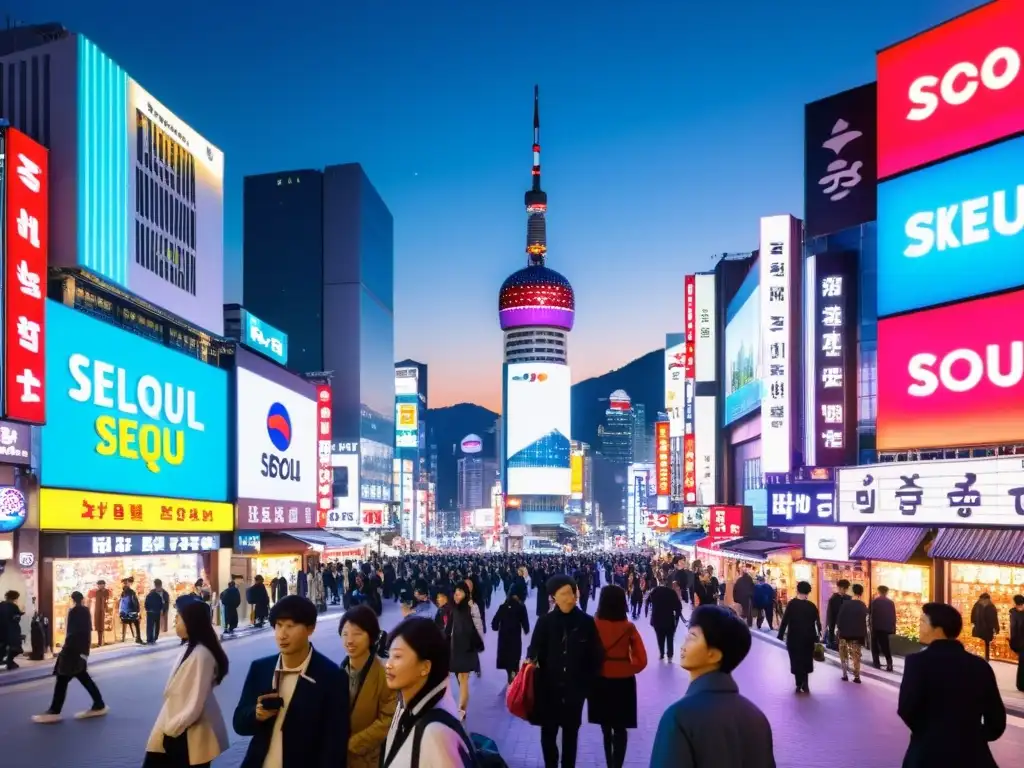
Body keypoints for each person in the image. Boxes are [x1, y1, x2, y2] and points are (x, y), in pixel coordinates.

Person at [649, 605, 774, 768]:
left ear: (714, 655)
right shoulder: (757, 717)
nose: (683, 644)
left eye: (692, 637)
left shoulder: (679, 716)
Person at [232, 595, 348, 767]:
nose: (282, 635)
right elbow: (239, 724)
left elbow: (334, 746)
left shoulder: (332, 677)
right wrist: (256, 715)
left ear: (310, 628)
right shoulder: (261, 668)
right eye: (278, 626)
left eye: (290, 626)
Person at [898, 602, 1005, 768]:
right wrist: (974, 735)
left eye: (922, 622)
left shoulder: (917, 663)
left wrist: (928, 733)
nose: (919, 627)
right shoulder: (980, 666)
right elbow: (997, 720)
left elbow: (906, 709)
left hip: (927, 755)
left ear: (938, 629)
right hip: (974, 756)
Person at [526, 574, 603, 768]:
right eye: (565, 593)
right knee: (548, 733)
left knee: (571, 734)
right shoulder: (545, 622)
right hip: (548, 689)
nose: (571, 597)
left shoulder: (586, 622)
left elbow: (596, 655)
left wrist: (585, 686)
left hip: (574, 691)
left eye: (572, 592)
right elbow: (533, 651)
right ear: (553, 597)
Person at [142, 599, 230, 767]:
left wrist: (172, 731)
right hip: (174, 722)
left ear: (191, 622)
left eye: (178, 618)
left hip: (186, 730)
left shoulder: (201, 654)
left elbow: (195, 702)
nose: (175, 621)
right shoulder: (189, 647)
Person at [381, 617, 474, 766]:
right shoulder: (404, 707)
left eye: (397, 656)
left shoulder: (436, 733)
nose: (388, 665)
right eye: (389, 656)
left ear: (425, 667)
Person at [590, 585, 647, 768]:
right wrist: (628, 668)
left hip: (600, 679)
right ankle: (617, 765)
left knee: (605, 727)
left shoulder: (593, 625)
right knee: (620, 728)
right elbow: (642, 659)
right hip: (623, 682)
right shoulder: (628, 627)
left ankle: (609, 762)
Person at [32, 591, 108, 723]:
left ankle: (55, 711)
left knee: (63, 678)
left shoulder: (74, 612)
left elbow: (73, 633)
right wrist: (84, 652)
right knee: (82, 677)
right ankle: (99, 704)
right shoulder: (85, 611)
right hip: (80, 650)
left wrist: (65, 649)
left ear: (72, 599)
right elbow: (85, 633)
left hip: (72, 651)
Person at [340, 606, 397, 768]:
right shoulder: (336, 673)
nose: (349, 640)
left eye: (357, 634)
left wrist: (353, 744)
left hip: (367, 760)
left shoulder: (384, 675)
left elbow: (387, 720)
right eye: (345, 634)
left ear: (371, 637)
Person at [447, 583, 484, 720]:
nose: (457, 594)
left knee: (463, 679)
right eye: (456, 591)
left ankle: (461, 709)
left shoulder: (472, 607)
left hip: (467, 648)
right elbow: (448, 628)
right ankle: (461, 707)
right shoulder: (454, 608)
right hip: (455, 648)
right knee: (459, 678)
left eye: (460, 591)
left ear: (466, 594)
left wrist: (477, 644)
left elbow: (478, 626)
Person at [777, 581, 821, 694]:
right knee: (806, 659)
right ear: (808, 592)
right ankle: (805, 683)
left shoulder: (792, 604)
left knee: (796, 660)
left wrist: (780, 635)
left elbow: (785, 620)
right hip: (808, 638)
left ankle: (798, 683)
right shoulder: (812, 606)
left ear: (797, 590)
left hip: (794, 638)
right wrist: (818, 637)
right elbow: (817, 623)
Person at [491, 589, 530, 685]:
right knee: (514, 657)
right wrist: (526, 629)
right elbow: (525, 624)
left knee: (506, 657)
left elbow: (494, 623)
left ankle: (510, 674)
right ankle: (514, 675)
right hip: (515, 637)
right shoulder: (521, 607)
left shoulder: (503, 607)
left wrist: (496, 627)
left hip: (504, 637)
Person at [836, 583, 868, 684]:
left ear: (852, 592)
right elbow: (865, 622)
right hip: (857, 636)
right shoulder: (863, 606)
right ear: (861, 593)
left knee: (843, 655)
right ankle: (857, 676)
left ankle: (845, 675)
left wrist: (839, 630)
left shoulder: (845, 604)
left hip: (844, 634)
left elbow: (839, 619)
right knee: (856, 656)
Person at [646, 576, 683, 662]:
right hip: (669, 619)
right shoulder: (672, 593)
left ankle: (662, 654)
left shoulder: (655, 591)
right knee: (670, 638)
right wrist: (677, 617)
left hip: (657, 619)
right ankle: (670, 656)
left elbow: (647, 601)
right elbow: (678, 607)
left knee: (660, 637)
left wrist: (647, 611)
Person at [869, 585, 896, 671]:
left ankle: (876, 663)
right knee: (885, 646)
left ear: (879, 591)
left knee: (875, 646)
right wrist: (892, 627)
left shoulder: (875, 602)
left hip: (876, 627)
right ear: (886, 592)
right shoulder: (891, 602)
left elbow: (871, 615)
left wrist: (870, 626)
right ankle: (889, 663)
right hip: (886, 628)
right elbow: (893, 616)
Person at [971, 592, 1000, 662]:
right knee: (986, 643)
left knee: (980, 643)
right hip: (987, 629)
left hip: (979, 628)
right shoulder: (991, 606)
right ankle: (986, 658)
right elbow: (994, 619)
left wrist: (974, 623)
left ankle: (981, 658)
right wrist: (996, 629)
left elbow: (972, 617)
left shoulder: (977, 605)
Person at [0, 590, 23, 669]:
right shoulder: (13, 606)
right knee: (15, 647)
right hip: (11, 630)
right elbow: (16, 618)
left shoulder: (1, 605)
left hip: (2, 630)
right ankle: (9, 661)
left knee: (3, 646)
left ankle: (4, 660)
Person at [824, 579, 850, 650]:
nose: (844, 590)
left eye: (845, 589)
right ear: (839, 588)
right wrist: (830, 625)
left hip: (845, 624)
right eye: (842, 588)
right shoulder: (833, 599)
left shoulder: (849, 598)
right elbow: (830, 614)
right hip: (835, 623)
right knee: (834, 643)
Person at [144, 580, 167, 645]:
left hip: (151, 612)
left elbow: (146, 602)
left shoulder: (151, 593)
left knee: (151, 626)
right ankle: (152, 639)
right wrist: (162, 610)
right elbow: (164, 603)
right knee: (155, 625)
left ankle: (150, 639)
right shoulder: (163, 593)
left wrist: (147, 609)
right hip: (156, 612)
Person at [1010, 595, 1024, 692]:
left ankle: (1021, 685)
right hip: (1021, 642)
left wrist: (1013, 643)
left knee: (1022, 664)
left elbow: (1013, 629)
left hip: (1020, 642)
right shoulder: (1013, 612)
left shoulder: (1014, 613)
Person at [92, 579, 110, 647]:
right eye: (98, 585)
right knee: (98, 625)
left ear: (103, 585)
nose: (98, 586)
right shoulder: (97, 592)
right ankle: (99, 641)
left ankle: (101, 641)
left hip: (103, 610)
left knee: (101, 625)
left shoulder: (106, 591)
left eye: (99, 585)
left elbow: (106, 600)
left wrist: (106, 609)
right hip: (97, 610)